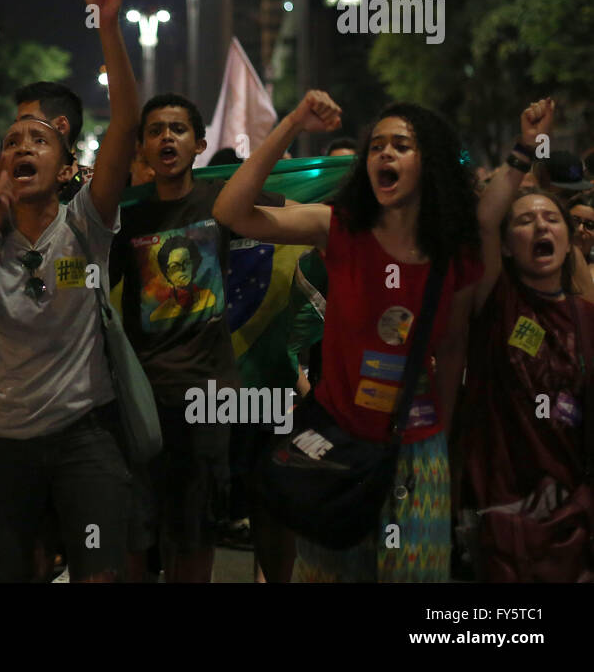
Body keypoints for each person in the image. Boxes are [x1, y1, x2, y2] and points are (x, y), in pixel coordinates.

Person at [213, 91, 482, 582]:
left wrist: (441, 443)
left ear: (432, 162)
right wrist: (295, 122)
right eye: (376, 145)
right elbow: (231, 210)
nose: (385, 154)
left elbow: (452, 345)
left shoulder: (456, 254)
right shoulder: (336, 228)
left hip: (416, 455)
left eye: (401, 145)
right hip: (334, 446)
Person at [0, 0, 137, 583]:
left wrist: (108, 25)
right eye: (12, 141)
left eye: (39, 139)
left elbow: (126, 128)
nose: (22, 145)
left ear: (65, 168)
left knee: (101, 574)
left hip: (85, 434)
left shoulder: (86, 219)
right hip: (0, 444)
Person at [108, 92, 287, 582]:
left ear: (200, 143)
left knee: (194, 534)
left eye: (178, 129)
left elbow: (304, 212)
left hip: (206, 401)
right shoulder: (126, 218)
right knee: (133, 535)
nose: (167, 136)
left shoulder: (222, 203)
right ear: (142, 148)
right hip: (139, 400)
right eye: (155, 130)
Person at [456, 99, 594, 581]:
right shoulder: (496, 301)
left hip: (572, 517)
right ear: (507, 247)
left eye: (551, 219)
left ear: (570, 236)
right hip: (500, 512)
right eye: (525, 220)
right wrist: (525, 148)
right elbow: (483, 218)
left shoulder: (586, 317)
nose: (540, 226)